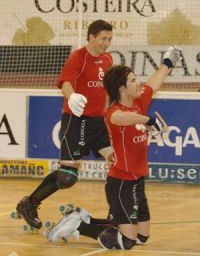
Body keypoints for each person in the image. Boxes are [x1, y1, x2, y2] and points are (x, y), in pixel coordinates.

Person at [44, 46, 181, 249]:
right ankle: (78, 225)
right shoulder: (113, 112)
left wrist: (168, 62)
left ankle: (84, 218)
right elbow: (121, 118)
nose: (139, 83)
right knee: (126, 242)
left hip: (137, 181)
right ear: (121, 88)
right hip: (122, 184)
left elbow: (154, 82)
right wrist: (149, 120)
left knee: (141, 238)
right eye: (133, 80)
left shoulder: (138, 102)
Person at [15, 20, 114, 229]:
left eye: (109, 39)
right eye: (103, 38)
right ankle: (29, 203)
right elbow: (66, 83)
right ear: (91, 37)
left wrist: (110, 113)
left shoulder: (107, 59)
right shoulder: (78, 57)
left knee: (118, 161)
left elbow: (107, 90)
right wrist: (72, 97)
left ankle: (116, 213)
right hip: (76, 122)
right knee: (67, 177)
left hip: (98, 123)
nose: (107, 43)